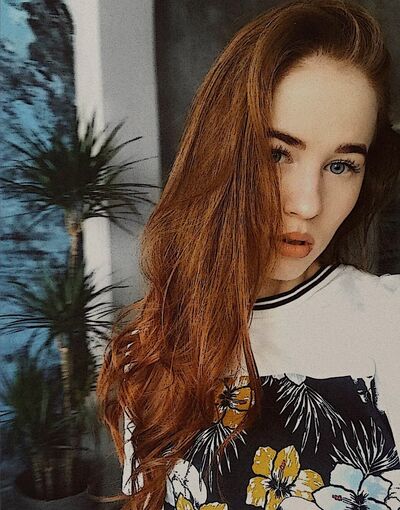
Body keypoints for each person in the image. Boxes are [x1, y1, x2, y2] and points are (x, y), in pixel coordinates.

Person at [96, 0, 400, 508]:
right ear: (220, 152)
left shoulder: (388, 323)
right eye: (277, 154)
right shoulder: (150, 352)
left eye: (341, 165)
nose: (307, 203)